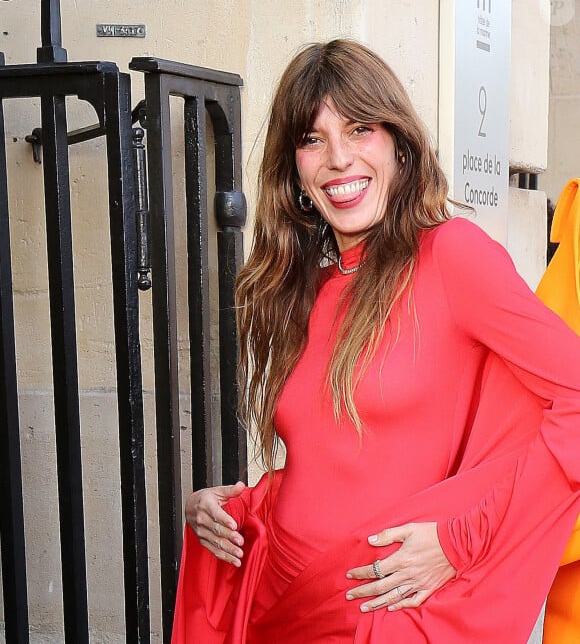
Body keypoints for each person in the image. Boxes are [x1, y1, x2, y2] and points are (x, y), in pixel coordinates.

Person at [171, 39, 580, 643]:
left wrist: (459, 540)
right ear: (294, 167)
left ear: (398, 142)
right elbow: (330, 458)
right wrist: (226, 508)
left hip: (382, 609)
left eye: (360, 128)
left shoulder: (453, 257)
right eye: (312, 139)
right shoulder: (305, 283)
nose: (338, 158)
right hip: (277, 597)